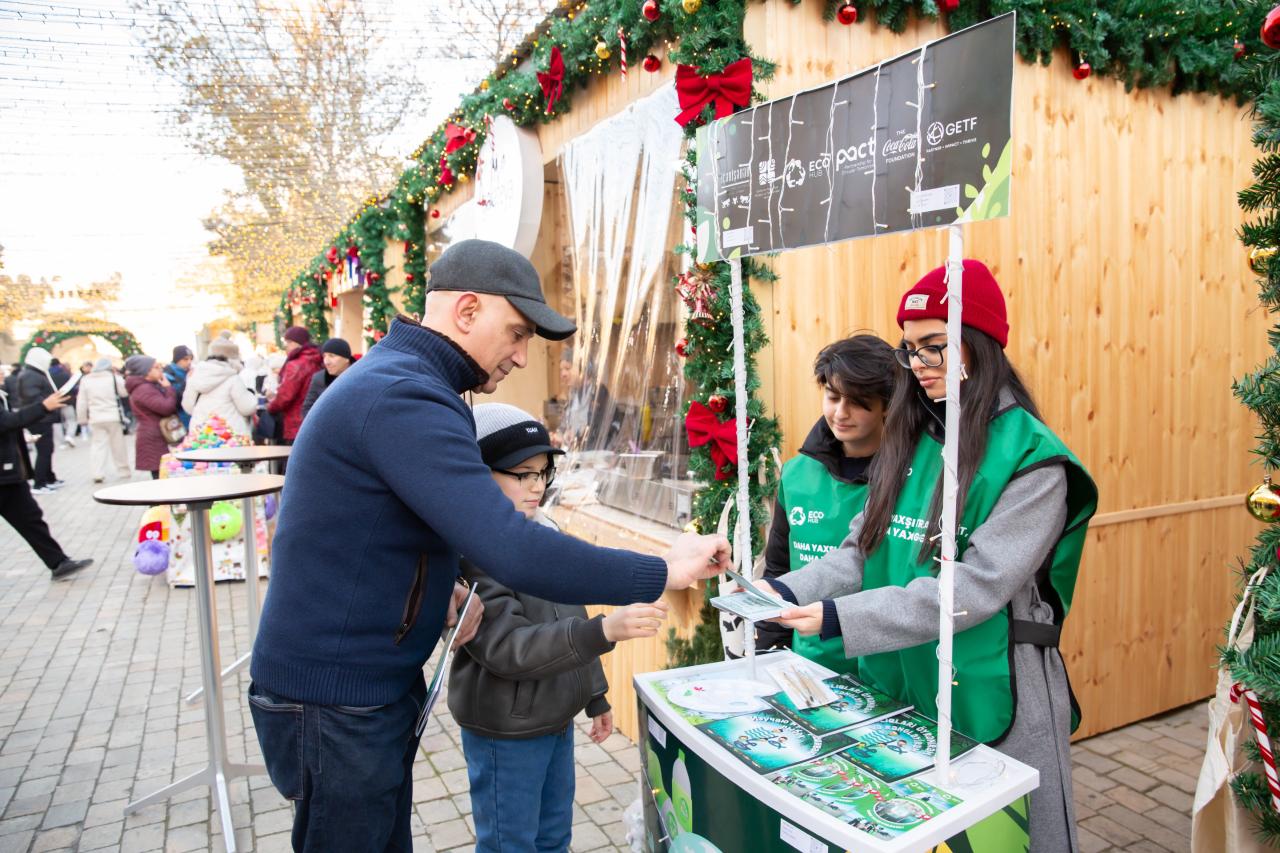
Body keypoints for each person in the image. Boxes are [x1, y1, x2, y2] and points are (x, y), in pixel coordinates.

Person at [248, 239, 729, 852]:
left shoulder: (409, 384)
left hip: (356, 691)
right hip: (335, 700)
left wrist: (433, 590)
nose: (523, 358)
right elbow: (510, 547)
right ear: (468, 311)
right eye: (518, 333)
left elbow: (371, 526)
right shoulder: (404, 394)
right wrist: (661, 566)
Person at [759, 260, 1097, 851]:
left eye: (934, 347)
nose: (918, 366)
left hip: (996, 684)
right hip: (905, 675)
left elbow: (976, 588)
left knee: (1005, 835)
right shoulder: (912, 438)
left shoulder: (1034, 461)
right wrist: (784, 591)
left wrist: (841, 619)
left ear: (980, 342)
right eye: (910, 349)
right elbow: (858, 554)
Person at [450, 403, 670, 852]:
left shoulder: (543, 532)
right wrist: (605, 631)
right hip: (504, 732)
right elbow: (508, 648)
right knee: (510, 842)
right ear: (479, 473)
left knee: (554, 836)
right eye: (522, 474)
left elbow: (572, 611)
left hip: (555, 719)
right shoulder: (474, 553)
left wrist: (593, 694)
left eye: (543, 473)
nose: (537, 487)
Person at [755, 334, 895, 668]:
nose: (841, 413)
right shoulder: (795, 474)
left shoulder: (910, 480)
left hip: (888, 669)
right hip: (809, 664)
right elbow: (779, 569)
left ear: (887, 405)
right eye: (833, 397)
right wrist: (769, 657)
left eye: (858, 401)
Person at [0, 382, 93, 579]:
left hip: (9, 476)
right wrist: (43, 407)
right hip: (4, 475)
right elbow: (6, 422)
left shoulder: (2, 394)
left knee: (31, 518)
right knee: (30, 519)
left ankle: (58, 562)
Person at [183, 332, 257, 436]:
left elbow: (188, 407)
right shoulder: (233, 378)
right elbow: (247, 408)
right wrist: (251, 395)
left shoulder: (195, 376)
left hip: (201, 433)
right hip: (229, 434)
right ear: (234, 359)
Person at [76, 358, 131, 483]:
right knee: (118, 445)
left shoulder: (86, 380)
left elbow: (81, 401)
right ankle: (123, 470)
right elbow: (124, 393)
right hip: (113, 415)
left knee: (98, 445)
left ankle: (97, 473)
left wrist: (82, 419)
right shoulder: (113, 378)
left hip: (95, 417)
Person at [124, 355, 178, 480]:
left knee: (162, 477)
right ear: (145, 371)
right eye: (156, 367)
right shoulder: (144, 389)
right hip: (153, 438)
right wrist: (168, 388)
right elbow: (166, 408)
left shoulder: (148, 386)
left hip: (155, 435)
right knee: (161, 479)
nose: (160, 370)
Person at [16, 347, 62, 494]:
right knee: (44, 451)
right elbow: (33, 399)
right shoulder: (31, 376)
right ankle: (39, 482)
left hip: (43, 418)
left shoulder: (35, 374)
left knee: (47, 450)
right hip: (39, 419)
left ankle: (48, 478)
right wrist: (46, 405)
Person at [265, 326, 322, 444]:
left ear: (299, 343)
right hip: (314, 421)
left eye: (290, 342)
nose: (286, 346)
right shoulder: (318, 360)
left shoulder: (296, 365)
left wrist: (271, 406)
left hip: (295, 423)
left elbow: (285, 396)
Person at [300, 337, 355, 421]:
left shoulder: (359, 378)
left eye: (332, 356)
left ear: (346, 358)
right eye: (324, 356)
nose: (326, 361)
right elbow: (307, 409)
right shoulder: (319, 379)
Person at [165, 345, 194, 431]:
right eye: (185, 359)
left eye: (191, 359)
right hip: (179, 420)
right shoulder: (168, 374)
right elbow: (175, 399)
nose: (189, 362)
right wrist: (187, 381)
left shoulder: (189, 371)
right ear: (177, 360)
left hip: (191, 418)